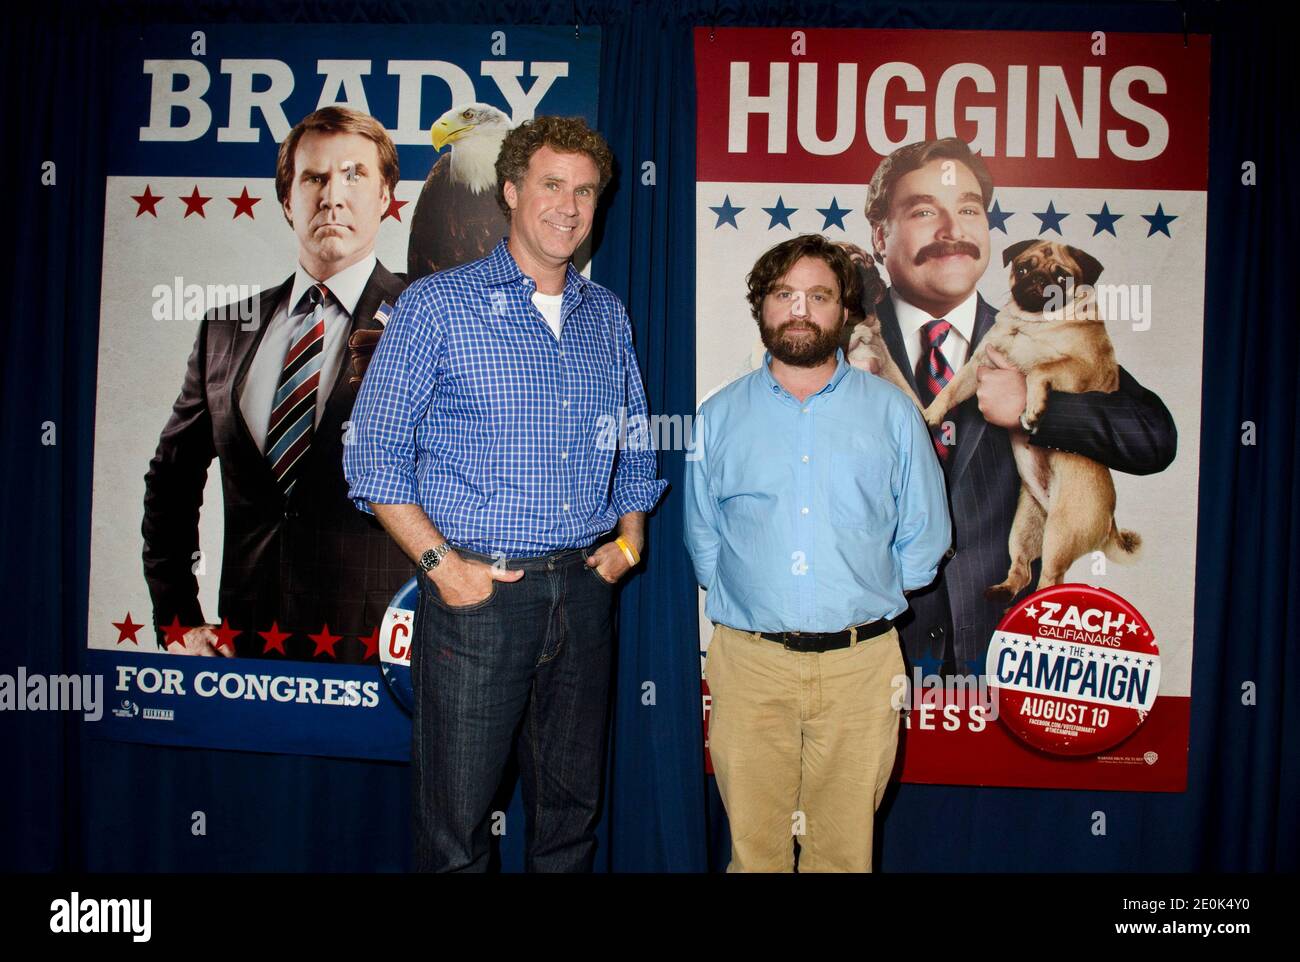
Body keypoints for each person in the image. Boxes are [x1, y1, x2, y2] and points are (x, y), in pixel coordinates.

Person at [344, 115, 666, 873]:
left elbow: (635, 435)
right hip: (477, 601)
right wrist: (443, 568)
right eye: (552, 185)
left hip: (585, 592)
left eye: (586, 190)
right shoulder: (437, 306)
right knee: (455, 836)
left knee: (570, 825)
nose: (570, 205)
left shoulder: (606, 314)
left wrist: (630, 540)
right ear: (512, 191)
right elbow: (372, 456)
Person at [854, 138, 1177, 676]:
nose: (951, 229)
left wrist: (1039, 407)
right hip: (873, 648)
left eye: (968, 210)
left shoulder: (1046, 330)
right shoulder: (841, 333)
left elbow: (1153, 437)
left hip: (1009, 647)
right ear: (881, 233)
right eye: (924, 211)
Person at [684, 234, 951, 872]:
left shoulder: (893, 413)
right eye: (785, 294)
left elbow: (926, 535)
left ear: (845, 311)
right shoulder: (718, 416)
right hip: (749, 666)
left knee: (843, 855)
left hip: (862, 669)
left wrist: (865, 592)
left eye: (819, 296)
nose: (800, 309)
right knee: (755, 855)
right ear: (762, 307)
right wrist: (759, 607)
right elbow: (703, 538)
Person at [142, 106, 410, 662]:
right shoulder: (226, 328)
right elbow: (171, 481)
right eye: (314, 177)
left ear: (386, 197)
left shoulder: (429, 317)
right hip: (247, 651)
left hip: (384, 655)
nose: (333, 195)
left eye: (355, 175)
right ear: (288, 201)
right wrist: (177, 622)